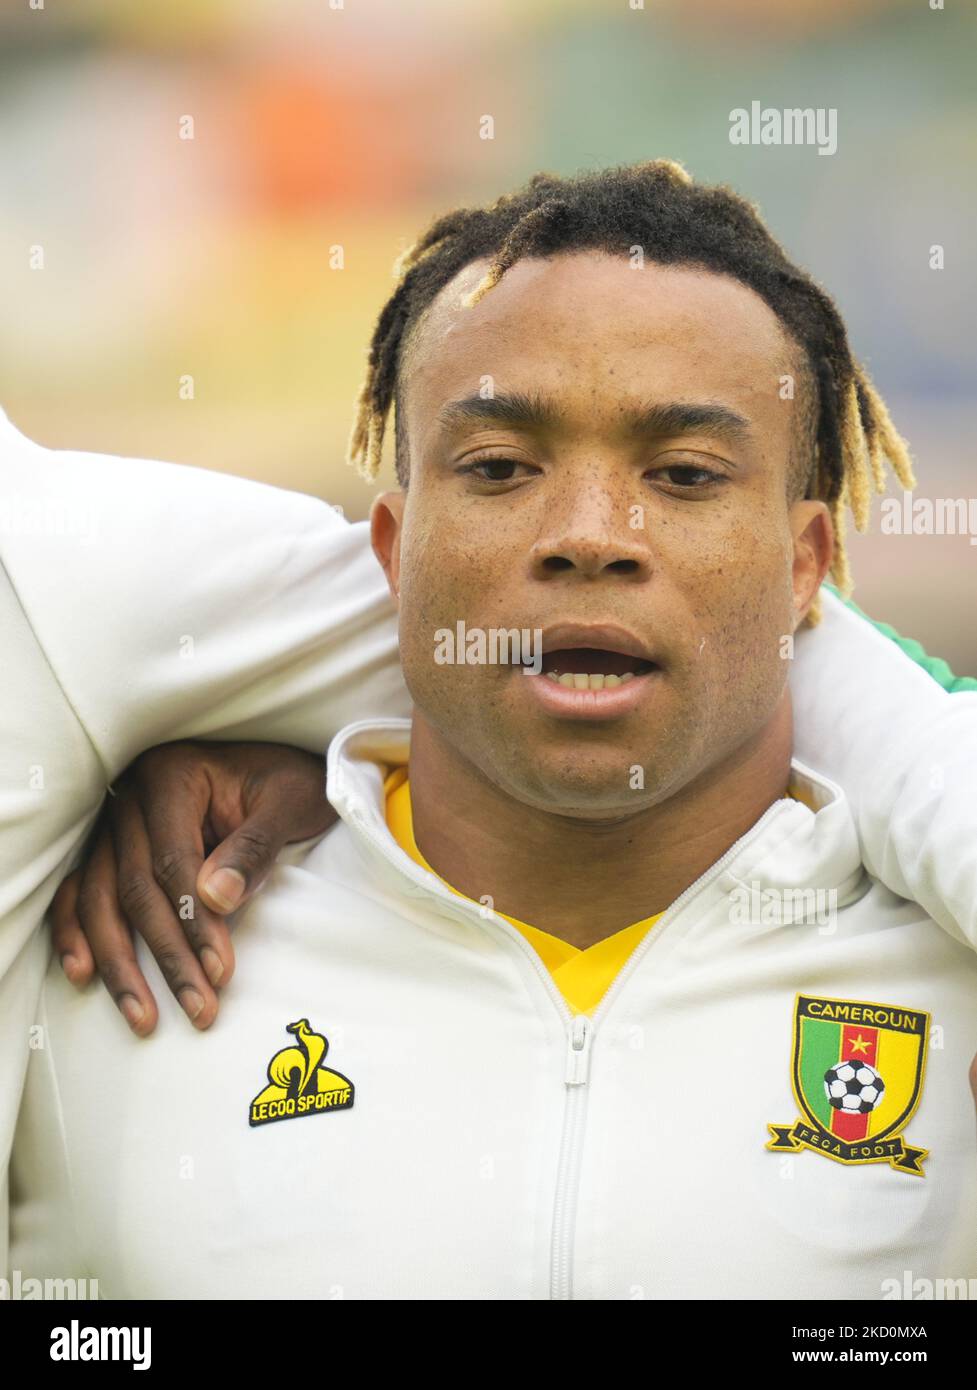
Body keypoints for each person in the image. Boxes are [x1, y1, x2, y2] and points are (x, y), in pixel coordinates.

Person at [6, 160, 977, 1298]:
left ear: (806, 565)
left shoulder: (943, 970)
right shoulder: (97, 969)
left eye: (681, 473)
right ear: (387, 553)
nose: (589, 535)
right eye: (501, 468)